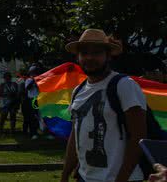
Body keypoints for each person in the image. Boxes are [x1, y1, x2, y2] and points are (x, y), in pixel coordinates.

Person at [60, 29, 147, 182]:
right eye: (84, 53)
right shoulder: (78, 91)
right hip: (85, 178)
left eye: (96, 53)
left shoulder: (124, 85)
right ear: (78, 57)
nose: (89, 57)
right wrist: (65, 173)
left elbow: (138, 138)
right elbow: (75, 136)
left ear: (108, 56)